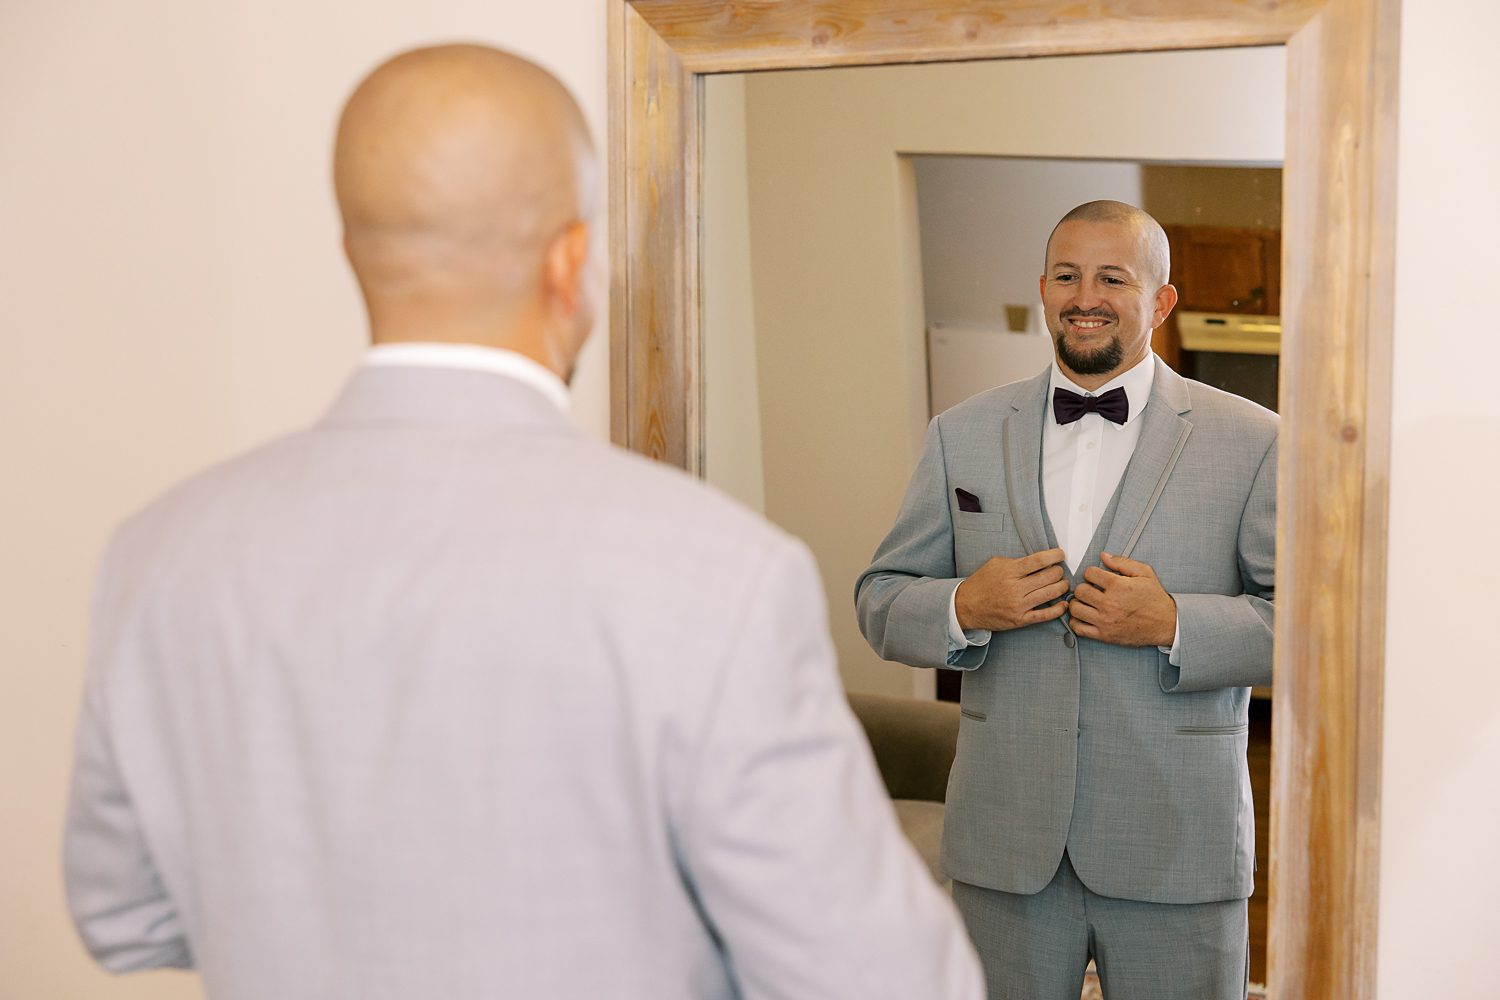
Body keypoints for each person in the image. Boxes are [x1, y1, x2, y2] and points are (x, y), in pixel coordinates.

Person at [63, 44, 983, 1000]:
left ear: (355, 253)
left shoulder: (161, 551)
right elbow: (883, 978)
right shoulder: (719, 571)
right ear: (572, 261)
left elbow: (122, 917)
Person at [856, 200, 1276, 1000]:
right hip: (1004, 846)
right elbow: (879, 600)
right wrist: (963, 607)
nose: (1086, 295)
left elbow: (1304, 630)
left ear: (1160, 301)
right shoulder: (962, 433)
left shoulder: (1256, 441)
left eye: (1113, 277)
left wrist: (1178, 623)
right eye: (1067, 274)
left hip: (1176, 841)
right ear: (1043, 291)